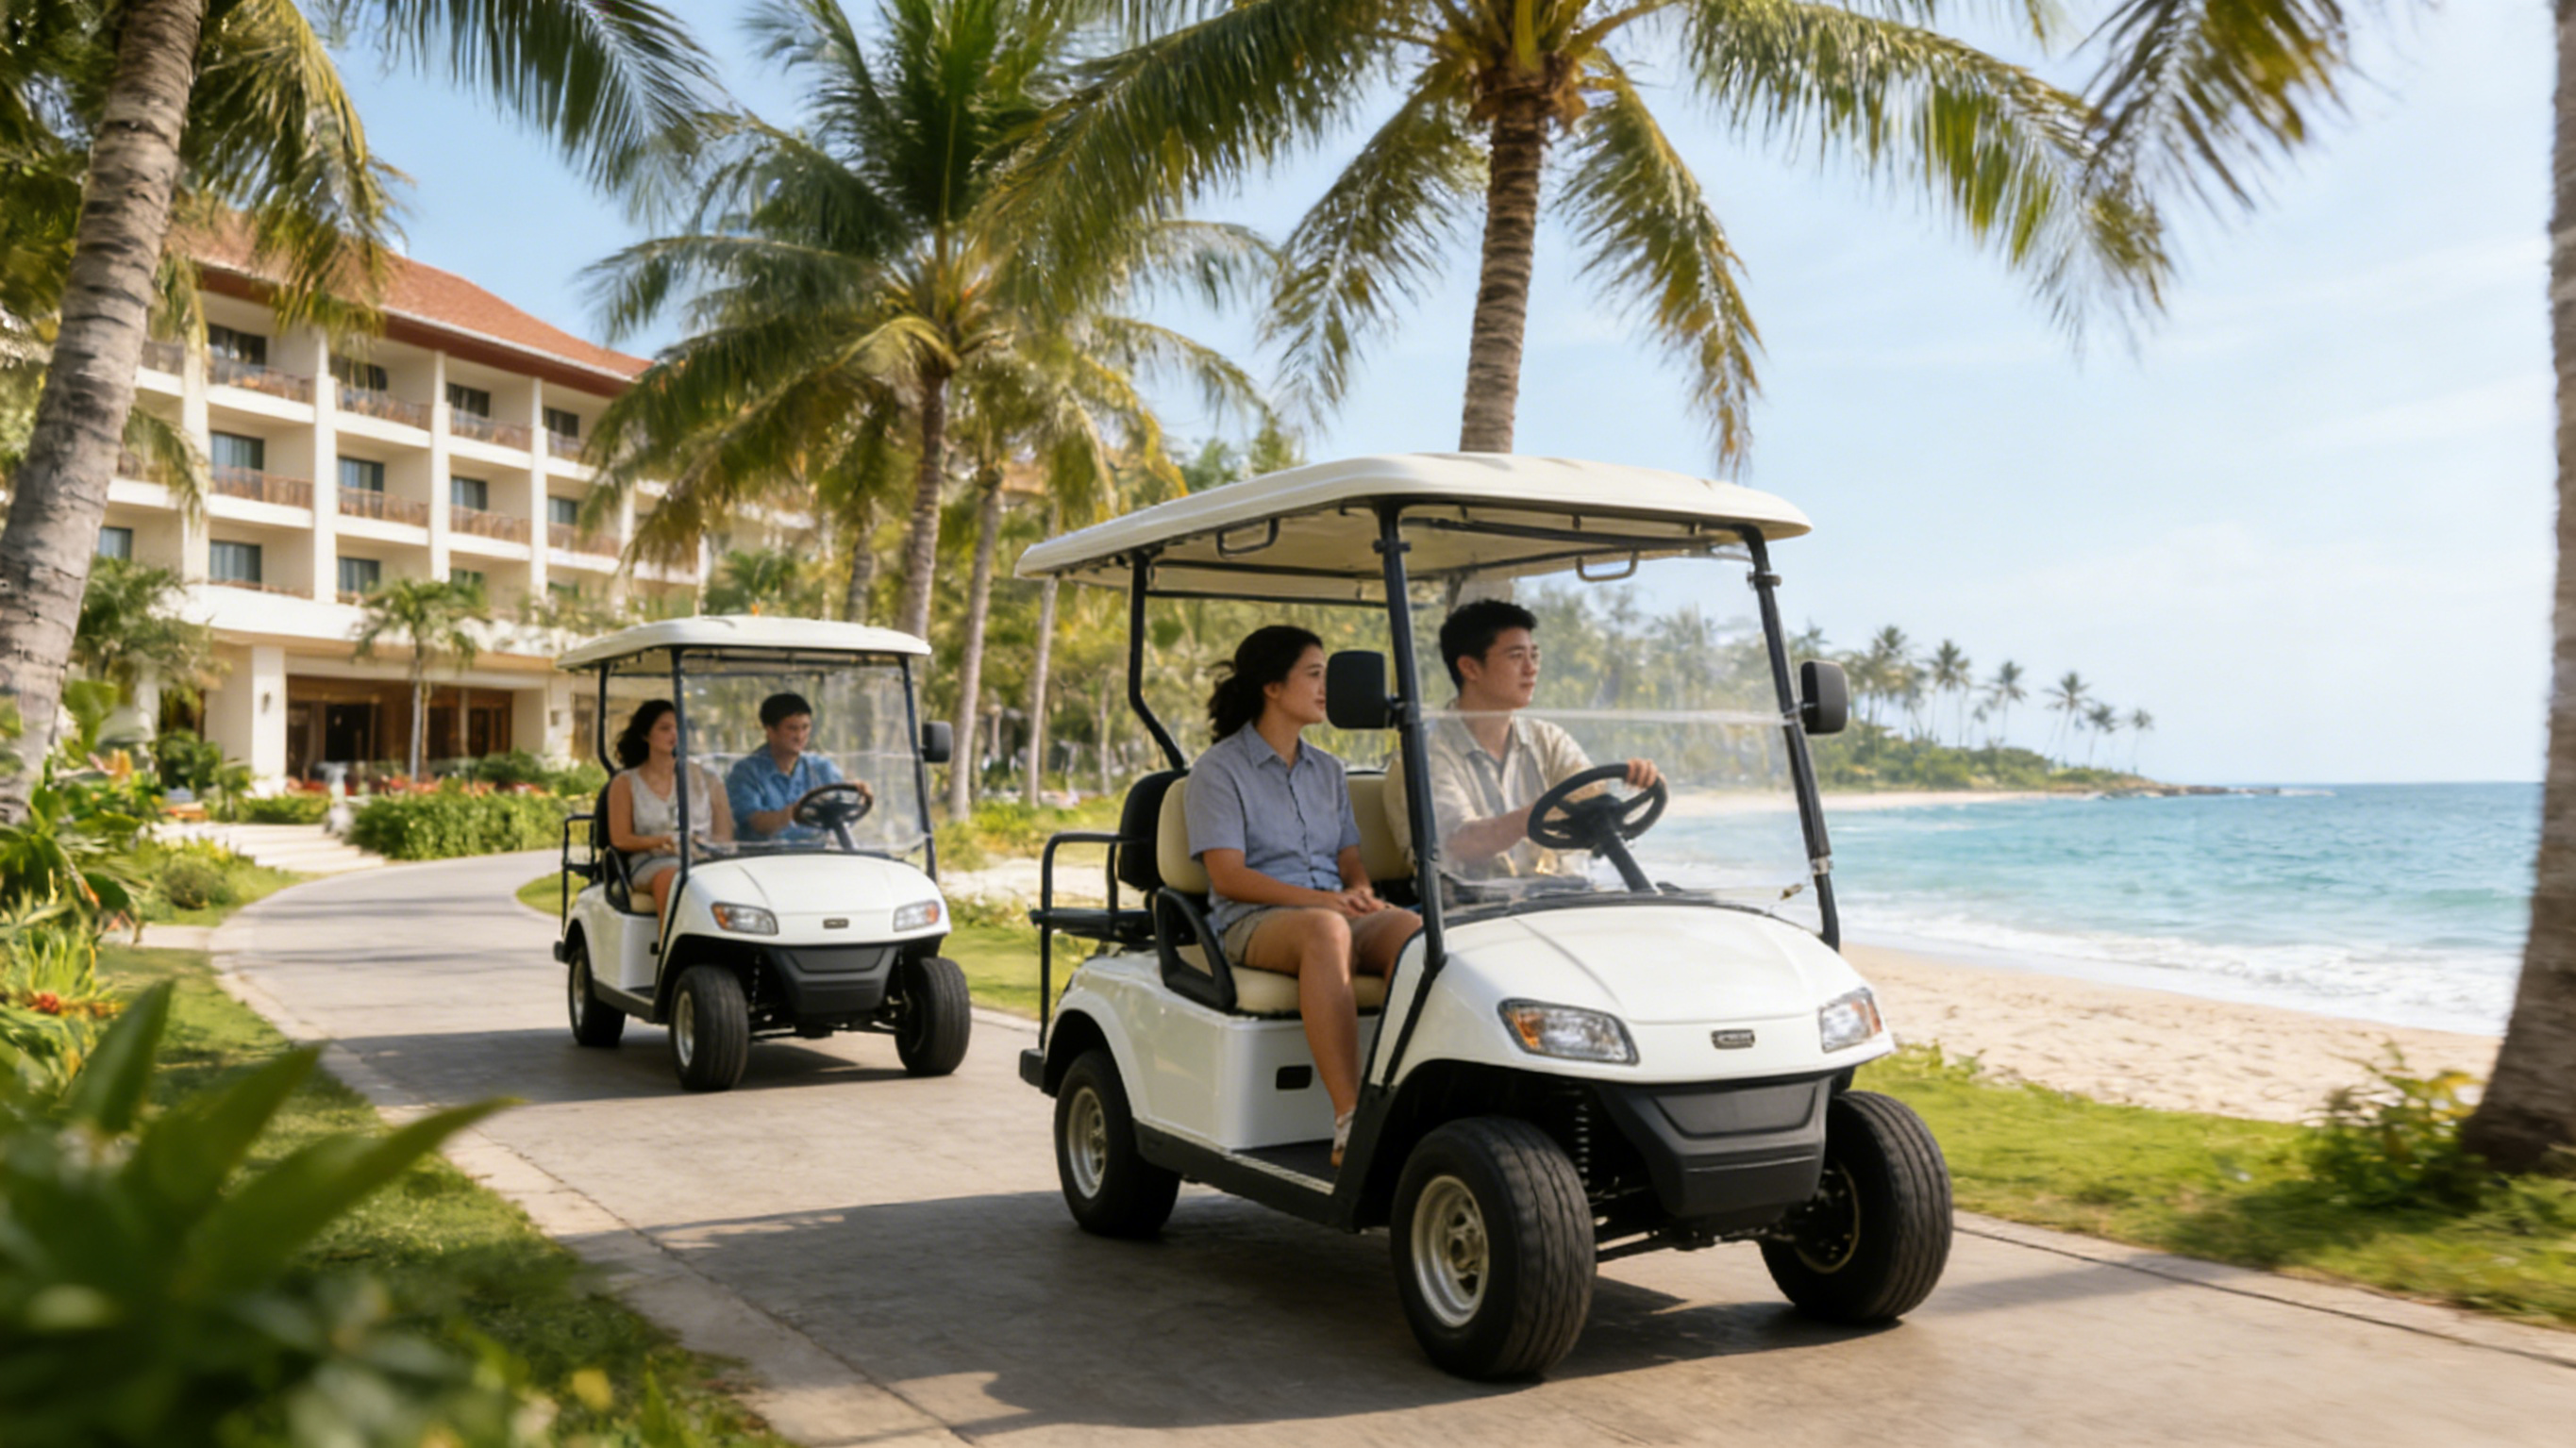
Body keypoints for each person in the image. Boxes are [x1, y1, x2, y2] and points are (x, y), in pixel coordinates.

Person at [1186, 624, 1421, 1167]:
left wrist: (1359, 892)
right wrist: (1324, 903)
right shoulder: (1218, 771)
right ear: (1273, 687)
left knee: (1412, 933)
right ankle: (1351, 1120)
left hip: (1330, 911)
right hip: (1254, 921)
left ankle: (1406, 1101)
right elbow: (1229, 877)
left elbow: (1349, 859)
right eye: (1315, 675)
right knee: (1326, 930)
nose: (1326, 689)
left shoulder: (1329, 770)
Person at [1388, 599, 1660, 882]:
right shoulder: (1424, 755)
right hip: (1473, 904)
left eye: (1534, 656)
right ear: (1470, 668)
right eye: (1516, 656)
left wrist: (1637, 784)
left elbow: (1593, 802)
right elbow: (1457, 844)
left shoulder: (1549, 740)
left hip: (1562, 895)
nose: (1531, 669)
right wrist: (1532, 818)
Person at [606, 699, 736, 935]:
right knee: (674, 877)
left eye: (680, 728)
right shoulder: (625, 783)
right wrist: (661, 842)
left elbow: (724, 834)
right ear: (645, 735)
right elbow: (621, 838)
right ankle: (670, 948)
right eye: (665, 729)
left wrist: (705, 846)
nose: (675, 735)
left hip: (703, 857)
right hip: (652, 861)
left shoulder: (708, 779)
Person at [726, 691, 862, 842]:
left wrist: (859, 797)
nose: (800, 736)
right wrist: (795, 812)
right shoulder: (746, 772)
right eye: (792, 729)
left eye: (805, 727)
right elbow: (755, 823)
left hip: (818, 852)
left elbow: (844, 816)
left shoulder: (822, 768)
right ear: (770, 731)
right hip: (766, 854)